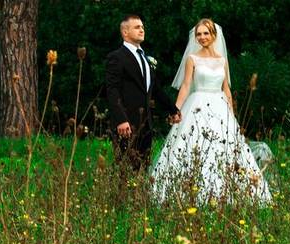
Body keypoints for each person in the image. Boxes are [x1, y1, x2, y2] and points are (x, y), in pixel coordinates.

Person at [151, 19, 271, 206]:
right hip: (197, 105)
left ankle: (230, 194)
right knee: (192, 146)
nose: (202, 37)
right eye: (199, 34)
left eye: (206, 33)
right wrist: (176, 109)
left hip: (220, 107)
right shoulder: (192, 59)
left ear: (214, 35)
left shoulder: (222, 60)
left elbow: (226, 89)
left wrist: (232, 114)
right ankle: (187, 193)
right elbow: (186, 85)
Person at [105, 14, 181, 172]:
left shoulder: (146, 59)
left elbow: (155, 89)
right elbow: (112, 90)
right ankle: (123, 198)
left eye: (142, 27)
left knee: (142, 170)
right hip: (126, 124)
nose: (141, 29)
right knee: (125, 170)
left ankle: (139, 197)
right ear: (125, 32)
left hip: (146, 124)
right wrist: (120, 119)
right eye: (137, 27)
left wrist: (172, 109)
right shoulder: (116, 57)